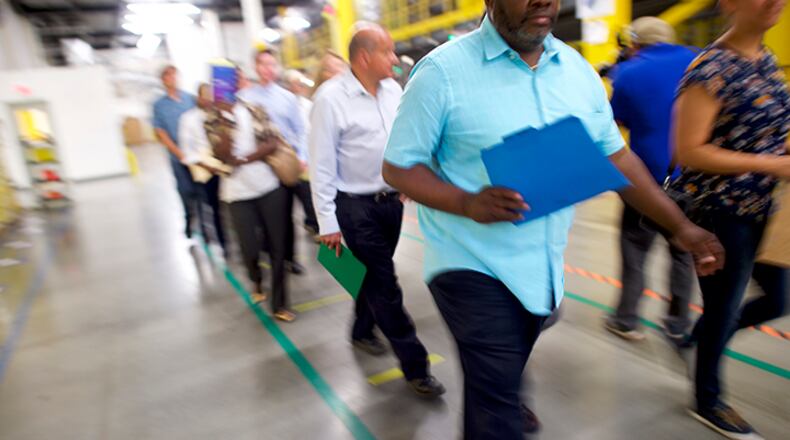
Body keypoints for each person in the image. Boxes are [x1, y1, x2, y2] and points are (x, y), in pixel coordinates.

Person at [381, 0, 724, 438]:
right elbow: (399, 166)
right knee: (497, 408)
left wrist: (680, 226)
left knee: (497, 388)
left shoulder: (576, 71)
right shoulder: (442, 72)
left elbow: (616, 156)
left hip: (542, 269)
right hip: (470, 264)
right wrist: (466, 202)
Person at [669, 0, 789, 436]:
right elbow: (689, 150)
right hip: (723, 211)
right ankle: (708, 399)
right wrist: (771, 164)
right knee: (722, 307)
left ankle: (697, 340)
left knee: (779, 298)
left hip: (765, 209)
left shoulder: (766, 59)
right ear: (730, 4)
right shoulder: (710, 68)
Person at [309, 24, 445, 398]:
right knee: (386, 285)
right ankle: (416, 366)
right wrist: (327, 223)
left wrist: (408, 181)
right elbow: (320, 164)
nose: (394, 59)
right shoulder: (330, 98)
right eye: (387, 51)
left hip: (391, 203)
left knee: (372, 278)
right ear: (364, 57)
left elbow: (403, 139)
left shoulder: (392, 91)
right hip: (354, 208)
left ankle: (361, 329)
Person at [605, 17, 698, 343]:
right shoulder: (698, 60)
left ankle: (627, 319)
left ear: (634, 42)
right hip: (691, 180)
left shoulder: (628, 72)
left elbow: (614, 122)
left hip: (645, 182)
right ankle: (677, 322)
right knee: (683, 252)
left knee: (634, 249)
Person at [205, 68, 297, 323]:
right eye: (224, 82)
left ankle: (280, 303)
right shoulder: (212, 118)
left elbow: (272, 142)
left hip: (268, 186)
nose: (232, 85)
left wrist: (244, 158)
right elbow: (221, 154)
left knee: (277, 247)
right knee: (250, 248)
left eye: (236, 80)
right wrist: (225, 119)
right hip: (236, 194)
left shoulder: (255, 109)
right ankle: (257, 280)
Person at [239, 49, 306, 274]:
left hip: (285, 162)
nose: (267, 69)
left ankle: (289, 257)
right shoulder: (246, 97)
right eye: (262, 64)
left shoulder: (287, 97)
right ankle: (271, 251)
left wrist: (302, 157)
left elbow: (300, 130)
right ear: (256, 68)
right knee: (267, 216)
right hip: (260, 164)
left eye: (271, 64)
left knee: (286, 214)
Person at [178, 83, 228, 254]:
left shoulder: (220, 115)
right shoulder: (189, 119)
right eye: (204, 96)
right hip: (206, 170)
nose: (208, 100)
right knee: (214, 208)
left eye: (211, 96)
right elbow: (187, 151)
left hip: (224, 166)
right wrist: (206, 166)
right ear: (198, 97)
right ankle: (223, 244)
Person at [152, 65, 200, 238]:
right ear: (163, 80)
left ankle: (202, 221)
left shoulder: (189, 99)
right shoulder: (159, 105)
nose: (172, 79)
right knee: (185, 190)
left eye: (174, 75)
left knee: (200, 189)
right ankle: (189, 218)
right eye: (168, 76)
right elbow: (160, 132)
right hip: (177, 155)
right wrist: (178, 152)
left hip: (196, 153)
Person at [282, 68, 320, 237]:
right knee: (304, 192)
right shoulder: (285, 105)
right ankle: (311, 221)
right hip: (293, 158)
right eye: (295, 83)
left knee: (311, 191)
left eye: (300, 83)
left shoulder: (307, 104)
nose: (299, 87)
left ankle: (312, 221)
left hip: (310, 156)